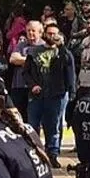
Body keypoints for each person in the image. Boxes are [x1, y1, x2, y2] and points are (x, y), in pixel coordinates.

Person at [24, 22, 76, 168]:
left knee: (53, 126)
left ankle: (52, 154)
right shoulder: (33, 52)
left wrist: (71, 92)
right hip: (37, 95)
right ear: (44, 34)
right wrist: (32, 85)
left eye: (55, 33)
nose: (52, 36)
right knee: (33, 126)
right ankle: (34, 153)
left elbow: (70, 72)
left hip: (56, 94)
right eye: (49, 33)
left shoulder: (64, 53)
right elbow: (26, 72)